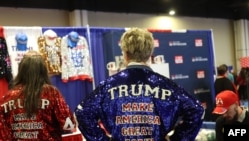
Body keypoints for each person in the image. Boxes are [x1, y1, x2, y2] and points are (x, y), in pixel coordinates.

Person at [75, 28, 204, 141]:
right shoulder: (167, 86)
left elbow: (82, 112)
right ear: (149, 55)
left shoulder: (108, 85)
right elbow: (196, 109)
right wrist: (177, 138)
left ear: (125, 54)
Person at [0, 50, 76, 140]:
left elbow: (3, 133)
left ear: (21, 70)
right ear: (43, 70)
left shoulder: (8, 97)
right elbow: (69, 125)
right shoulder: (51, 93)